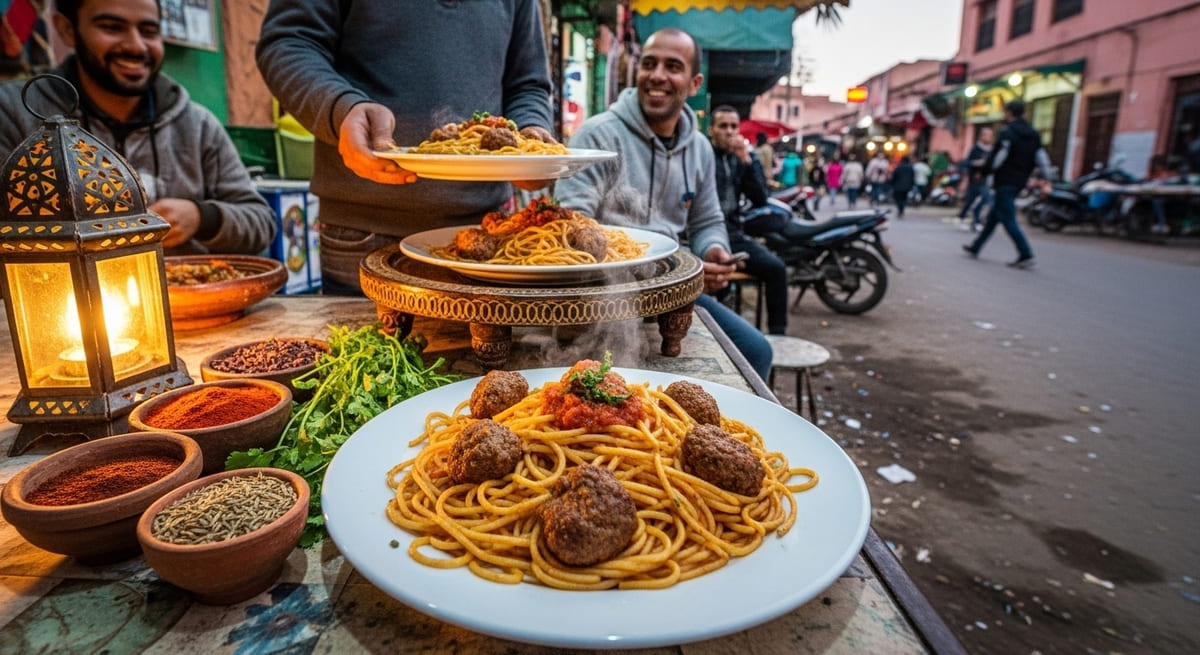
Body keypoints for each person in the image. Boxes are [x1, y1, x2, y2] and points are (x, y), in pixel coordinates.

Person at [256, 0, 556, 295]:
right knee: (364, 344)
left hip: (488, 231)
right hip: (361, 235)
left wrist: (530, 137)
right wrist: (340, 108)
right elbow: (289, 42)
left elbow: (526, 84)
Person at [553, 28, 773, 380]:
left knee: (756, 351)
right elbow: (570, 225)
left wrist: (713, 250)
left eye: (673, 66)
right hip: (601, 294)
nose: (657, 76)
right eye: (649, 64)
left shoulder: (699, 147)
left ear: (694, 82)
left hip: (673, 291)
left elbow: (707, 220)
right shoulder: (597, 136)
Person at [0, 0, 276, 257]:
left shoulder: (198, 125)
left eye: (149, 31)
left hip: (190, 298)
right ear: (67, 30)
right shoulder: (14, 113)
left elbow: (261, 223)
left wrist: (202, 218)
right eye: (112, 27)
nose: (136, 46)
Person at [708, 105, 790, 336]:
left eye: (734, 126)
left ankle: (777, 335)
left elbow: (760, 197)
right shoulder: (703, 155)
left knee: (776, 269)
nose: (730, 131)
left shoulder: (739, 159)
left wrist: (747, 161)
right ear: (712, 130)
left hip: (734, 235)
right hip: (703, 236)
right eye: (723, 126)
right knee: (716, 283)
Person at [963, 99, 1049, 269]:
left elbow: (1000, 157)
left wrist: (986, 171)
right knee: (994, 216)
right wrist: (1048, 176)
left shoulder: (1008, 132)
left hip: (1005, 180)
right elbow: (1041, 156)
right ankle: (976, 246)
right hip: (1020, 180)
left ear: (1009, 112)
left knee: (1008, 218)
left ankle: (1025, 253)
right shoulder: (1033, 133)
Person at [957, 127, 995, 231]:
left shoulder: (992, 150)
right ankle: (963, 217)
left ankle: (976, 221)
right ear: (982, 136)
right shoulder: (976, 149)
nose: (989, 138)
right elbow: (966, 163)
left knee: (984, 200)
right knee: (971, 200)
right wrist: (976, 163)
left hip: (987, 180)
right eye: (987, 135)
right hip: (975, 179)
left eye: (991, 135)